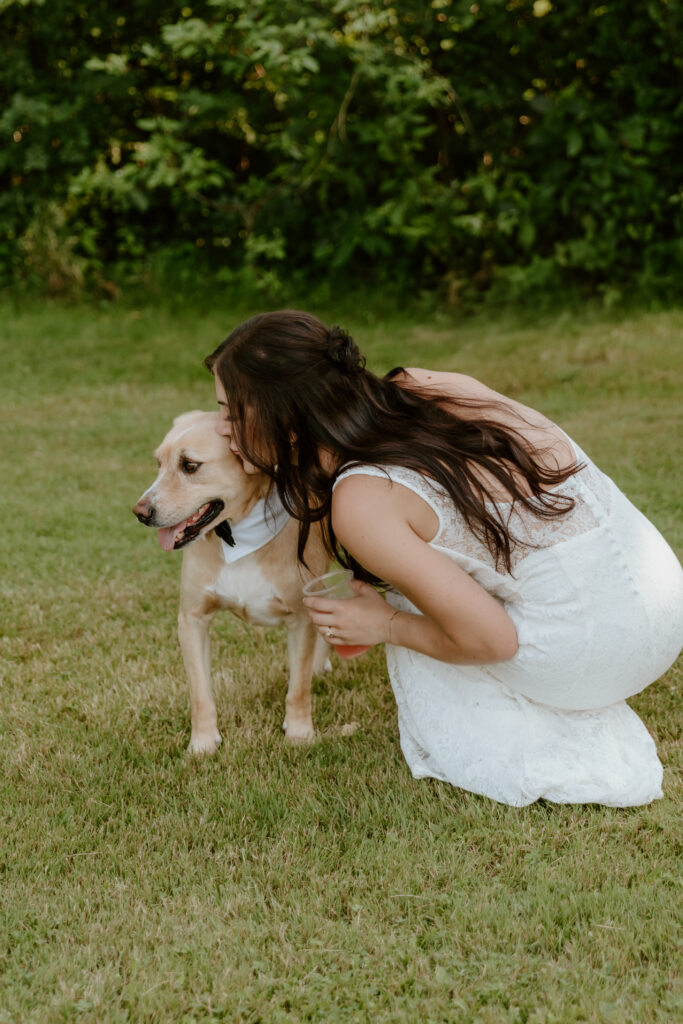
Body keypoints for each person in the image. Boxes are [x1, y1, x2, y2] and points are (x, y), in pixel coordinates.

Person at [204, 310, 683, 807]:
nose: (220, 429)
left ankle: (542, 721)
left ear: (284, 416)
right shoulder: (424, 386)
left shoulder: (361, 500)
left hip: (597, 650)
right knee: (431, 574)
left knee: (411, 607)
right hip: (664, 600)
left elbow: (491, 639)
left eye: (228, 411)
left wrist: (384, 625)